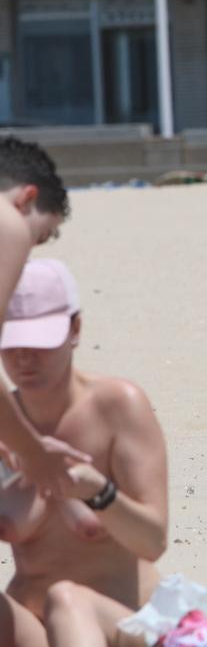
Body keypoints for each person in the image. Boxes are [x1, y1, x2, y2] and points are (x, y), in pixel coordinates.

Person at [0, 258, 170, 646]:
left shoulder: (117, 407)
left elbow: (153, 541)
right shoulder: (3, 426)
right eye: (11, 343)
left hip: (117, 622)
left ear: (75, 329)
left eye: (39, 342)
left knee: (67, 600)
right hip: (32, 627)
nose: (24, 358)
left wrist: (99, 493)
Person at [0, 137, 92, 494]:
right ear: (27, 198)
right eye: (40, 236)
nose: (28, 254)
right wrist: (32, 450)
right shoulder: (9, 224)